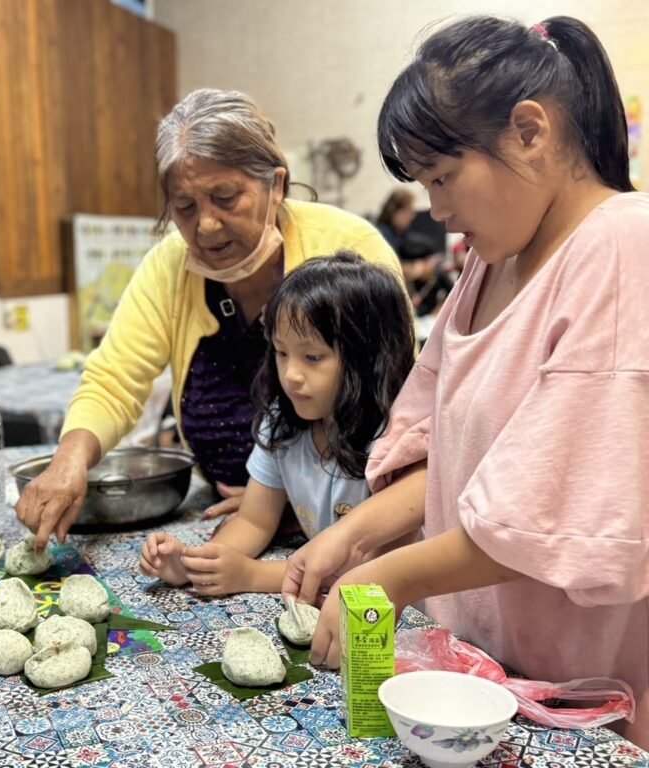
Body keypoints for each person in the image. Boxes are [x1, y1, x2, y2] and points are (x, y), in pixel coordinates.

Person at [282, 15, 649, 748]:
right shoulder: (489, 263)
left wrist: (387, 579)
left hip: (577, 696)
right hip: (483, 674)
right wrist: (353, 538)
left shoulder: (621, 246)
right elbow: (451, 458)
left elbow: (546, 513)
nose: (437, 209)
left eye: (443, 177)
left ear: (529, 131)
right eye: (423, 184)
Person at [17, 88, 403, 551]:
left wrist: (296, 501)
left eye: (225, 197)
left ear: (276, 185)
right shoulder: (170, 266)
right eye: (184, 207)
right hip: (230, 518)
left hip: (349, 526)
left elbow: (398, 398)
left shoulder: (347, 247)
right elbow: (115, 377)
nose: (206, 227)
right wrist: (68, 461)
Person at [140, 253, 414, 595]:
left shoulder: (395, 439)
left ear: (369, 357)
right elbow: (254, 521)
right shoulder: (282, 422)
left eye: (313, 358)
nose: (291, 375)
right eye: (281, 353)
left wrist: (253, 576)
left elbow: (371, 566)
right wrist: (195, 564)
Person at [375, 188, 416, 254]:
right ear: (394, 211)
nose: (412, 216)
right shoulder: (384, 235)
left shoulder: (400, 233)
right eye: (407, 211)